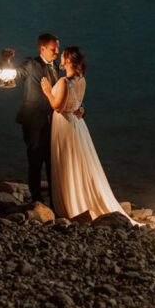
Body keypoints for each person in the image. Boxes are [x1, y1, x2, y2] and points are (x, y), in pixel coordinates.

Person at [42, 46, 134, 223]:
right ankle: (82, 197)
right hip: (77, 124)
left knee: (68, 163)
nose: (60, 57)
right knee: (80, 162)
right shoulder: (81, 79)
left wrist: (47, 91)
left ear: (68, 60)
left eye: (62, 55)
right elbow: (77, 103)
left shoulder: (64, 82)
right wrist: (81, 109)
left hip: (65, 125)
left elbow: (58, 107)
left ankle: (72, 202)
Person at [11, 33, 62, 204]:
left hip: (54, 123)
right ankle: (36, 199)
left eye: (57, 48)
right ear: (42, 48)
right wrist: (5, 63)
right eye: (53, 49)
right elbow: (16, 73)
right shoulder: (31, 64)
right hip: (34, 122)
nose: (57, 52)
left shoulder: (57, 67)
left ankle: (55, 200)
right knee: (35, 161)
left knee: (52, 163)